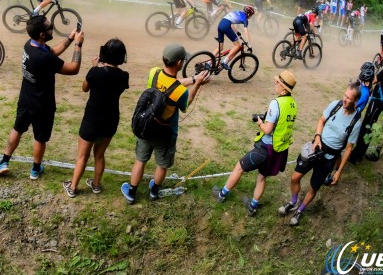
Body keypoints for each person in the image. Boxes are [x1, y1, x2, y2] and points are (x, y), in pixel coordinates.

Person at [0, 15, 84, 179]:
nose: (52, 28)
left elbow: (53, 50)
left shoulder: (30, 45)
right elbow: (73, 69)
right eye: (49, 27)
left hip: (26, 98)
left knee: (17, 129)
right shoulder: (44, 58)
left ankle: (4, 162)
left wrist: (70, 38)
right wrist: (78, 44)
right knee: (40, 138)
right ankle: (35, 170)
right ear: (42, 34)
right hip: (43, 105)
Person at [120, 44, 210, 203]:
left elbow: (171, 82)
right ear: (179, 63)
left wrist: (193, 79)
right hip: (165, 132)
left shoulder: (153, 73)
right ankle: (154, 192)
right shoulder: (180, 92)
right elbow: (185, 104)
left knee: (140, 160)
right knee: (162, 164)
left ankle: (132, 192)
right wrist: (196, 84)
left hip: (147, 126)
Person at [213, 71, 297, 215]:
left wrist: (260, 122)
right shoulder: (293, 104)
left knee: (239, 167)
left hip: (265, 148)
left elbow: (268, 130)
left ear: (284, 89)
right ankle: (253, 206)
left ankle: (221, 194)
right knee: (262, 177)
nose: (275, 83)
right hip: (279, 149)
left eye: (278, 82)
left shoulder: (276, 103)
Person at [279, 83, 362, 226]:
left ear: (355, 101)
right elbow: (321, 120)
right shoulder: (336, 105)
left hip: (329, 158)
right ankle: (293, 202)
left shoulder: (356, 121)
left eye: (349, 98)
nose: (344, 99)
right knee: (295, 177)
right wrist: (317, 137)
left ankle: (300, 210)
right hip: (315, 148)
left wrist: (339, 171)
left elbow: (348, 148)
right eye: (344, 95)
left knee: (313, 187)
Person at [62, 39, 129, 198]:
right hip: (111, 120)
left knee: (82, 156)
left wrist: (94, 67)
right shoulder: (124, 76)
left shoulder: (95, 72)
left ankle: (72, 187)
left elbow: (85, 88)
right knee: (99, 155)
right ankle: (96, 185)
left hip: (92, 119)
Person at [351, 47, 383, 163]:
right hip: (380, 103)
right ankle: (359, 153)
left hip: (376, 102)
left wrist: (374, 69)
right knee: (370, 126)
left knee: (366, 127)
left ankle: (356, 155)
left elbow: (372, 80)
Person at [213, 5, 255, 70]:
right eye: (251, 15)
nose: (251, 16)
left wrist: (237, 32)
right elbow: (246, 32)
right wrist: (249, 45)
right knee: (237, 45)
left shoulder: (237, 12)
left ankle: (209, 62)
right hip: (226, 26)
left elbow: (231, 23)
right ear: (248, 13)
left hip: (220, 24)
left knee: (220, 47)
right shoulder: (245, 19)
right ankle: (225, 62)